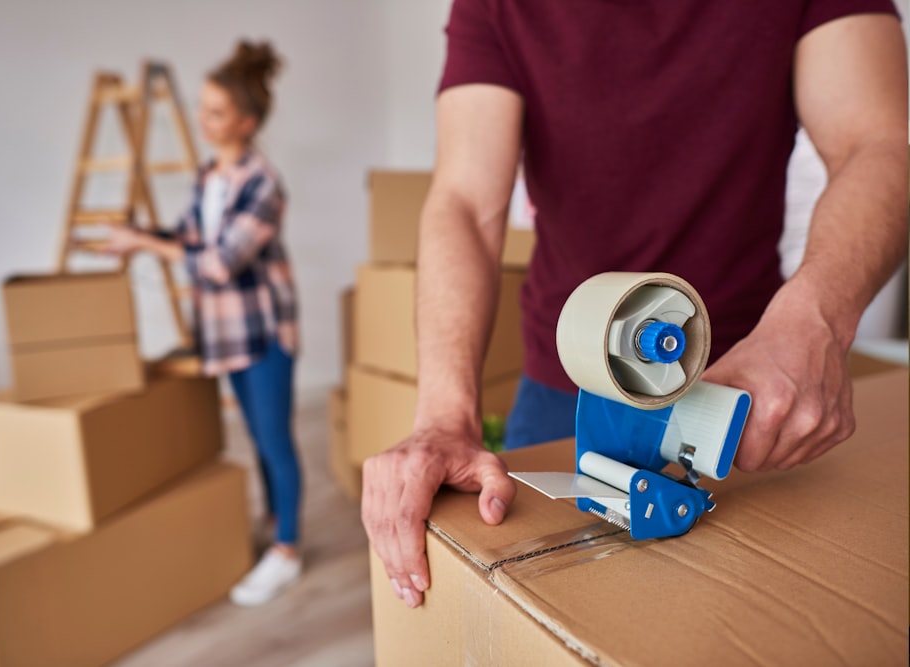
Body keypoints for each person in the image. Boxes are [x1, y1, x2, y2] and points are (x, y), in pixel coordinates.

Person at [361, 0, 908, 609]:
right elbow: (464, 199)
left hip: (753, 388)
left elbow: (878, 142)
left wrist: (816, 321)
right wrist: (443, 415)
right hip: (564, 383)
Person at [105, 41, 303, 606]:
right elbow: (192, 239)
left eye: (215, 112)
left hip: (263, 334)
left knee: (274, 442)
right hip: (224, 333)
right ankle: (276, 527)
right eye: (202, 107)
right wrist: (141, 235)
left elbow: (219, 263)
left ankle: (287, 549)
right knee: (260, 442)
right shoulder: (208, 175)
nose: (202, 119)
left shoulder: (263, 184)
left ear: (246, 122)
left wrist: (145, 243)